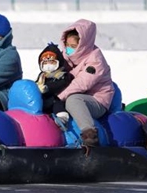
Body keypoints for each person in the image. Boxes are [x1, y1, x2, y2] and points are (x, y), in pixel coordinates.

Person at [55, 19, 115, 147]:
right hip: (76, 94)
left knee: (73, 100)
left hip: (97, 100)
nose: (68, 49)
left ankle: (90, 135)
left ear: (83, 45)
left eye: (73, 46)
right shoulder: (66, 56)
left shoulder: (95, 60)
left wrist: (58, 97)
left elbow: (82, 84)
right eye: (67, 45)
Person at [35, 42, 73, 121]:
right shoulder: (42, 76)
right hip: (44, 99)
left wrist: (47, 88)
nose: (48, 66)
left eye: (52, 63)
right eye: (45, 63)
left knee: (57, 103)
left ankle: (62, 118)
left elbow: (60, 84)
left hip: (57, 97)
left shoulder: (62, 74)